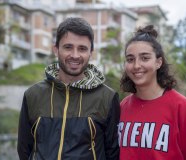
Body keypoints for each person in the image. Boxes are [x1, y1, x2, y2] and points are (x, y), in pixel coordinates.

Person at [17, 17, 120, 160]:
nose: (75, 55)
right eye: (68, 47)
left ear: (91, 53)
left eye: (82, 48)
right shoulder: (33, 95)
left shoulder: (107, 97)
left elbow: (112, 153)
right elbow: (24, 149)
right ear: (56, 49)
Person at [118, 25, 186, 160]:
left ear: (158, 62)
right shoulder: (123, 107)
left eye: (145, 58)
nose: (136, 65)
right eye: (130, 59)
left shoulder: (182, 107)